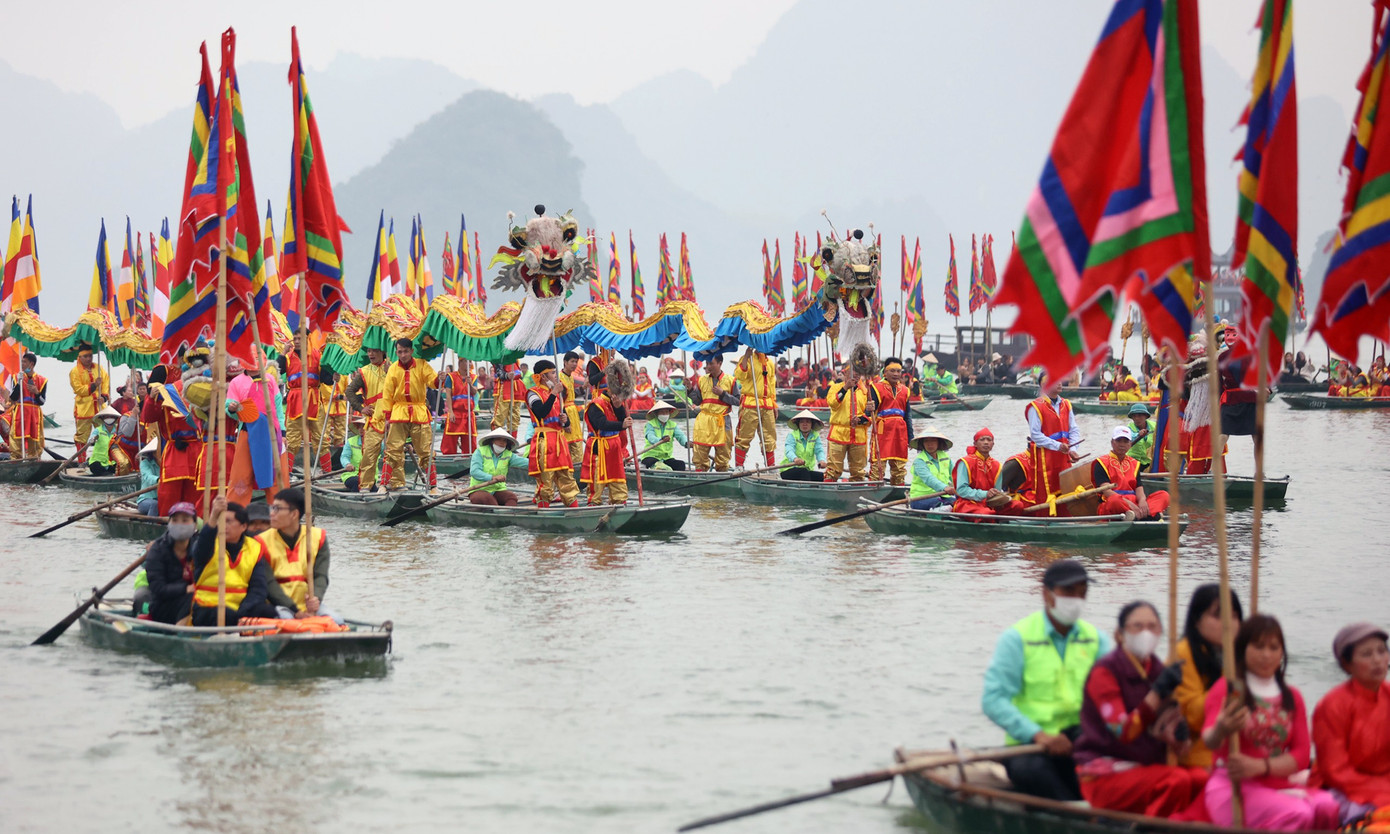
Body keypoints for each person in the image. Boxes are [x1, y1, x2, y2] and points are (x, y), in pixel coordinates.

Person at [982, 559, 1110, 802]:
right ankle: (1077, 818)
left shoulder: (1096, 640)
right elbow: (993, 700)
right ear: (1047, 595)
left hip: (1080, 742)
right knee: (1037, 773)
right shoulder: (1018, 638)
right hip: (1029, 746)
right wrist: (1039, 735)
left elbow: (1111, 696)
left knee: (1108, 777)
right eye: (1068, 592)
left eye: (1082, 593)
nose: (1076, 599)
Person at [1201, 615, 1340, 830]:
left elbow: (1302, 755)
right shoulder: (1230, 689)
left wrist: (1260, 767)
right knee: (1298, 813)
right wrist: (1221, 729)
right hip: (1232, 786)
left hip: (1276, 782)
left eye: (1273, 647)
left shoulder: (1292, 696)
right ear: (1243, 649)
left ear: (1282, 652)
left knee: (1329, 806)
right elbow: (1209, 740)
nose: (1266, 655)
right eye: (1258, 647)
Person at [1074, 601, 1205, 816]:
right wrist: (1156, 694)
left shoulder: (1158, 669)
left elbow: (1167, 731)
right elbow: (1124, 731)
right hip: (1105, 774)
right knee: (1176, 780)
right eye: (1137, 626)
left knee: (1202, 779)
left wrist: (1179, 737)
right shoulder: (1105, 672)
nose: (1146, 633)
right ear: (1119, 634)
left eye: (1152, 627)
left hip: (1147, 768)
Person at [1311, 622, 1390, 823]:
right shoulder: (1332, 704)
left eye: (1382, 651)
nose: (1377, 660)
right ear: (1347, 664)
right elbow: (1335, 771)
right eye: (1367, 654)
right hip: (1339, 789)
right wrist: (1380, 789)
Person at [1169, 583, 1245, 769]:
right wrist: (1227, 682)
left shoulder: (1243, 656)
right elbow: (1193, 716)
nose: (1228, 623)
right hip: (1198, 755)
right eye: (1218, 616)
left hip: (1240, 754)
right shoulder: (1182, 653)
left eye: (1234, 616)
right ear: (1197, 620)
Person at [189, 496, 276, 626]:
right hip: (207, 606)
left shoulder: (255, 547)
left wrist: (242, 613)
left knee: (268, 612)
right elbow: (202, 547)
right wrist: (213, 517)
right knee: (223, 614)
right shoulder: (209, 543)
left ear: (243, 526)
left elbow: (258, 589)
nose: (224, 526)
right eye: (221, 521)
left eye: (229, 521)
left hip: (239, 608)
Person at [255, 487, 332, 619]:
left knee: (337, 621)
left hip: (308, 604)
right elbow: (268, 583)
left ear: (294, 514)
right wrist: (295, 610)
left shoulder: (318, 537)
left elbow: (321, 576)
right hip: (277, 605)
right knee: (287, 619)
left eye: (277, 509)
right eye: (272, 508)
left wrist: (316, 598)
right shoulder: (261, 541)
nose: (271, 514)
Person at [376, 338, 441, 494]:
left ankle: (433, 487)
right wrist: (387, 417)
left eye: (406, 351)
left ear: (411, 351)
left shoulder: (422, 364)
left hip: (419, 413)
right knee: (392, 450)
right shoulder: (392, 369)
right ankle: (383, 485)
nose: (403, 355)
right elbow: (387, 394)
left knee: (425, 451)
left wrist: (441, 378)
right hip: (399, 413)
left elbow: (434, 382)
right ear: (396, 352)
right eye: (400, 352)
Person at [142, 365, 205, 515]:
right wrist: (151, 399)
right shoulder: (166, 388)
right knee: (169, 493)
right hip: (175, 450)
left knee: (196, 494)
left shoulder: (204, 387)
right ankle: (169, 527)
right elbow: (149, 417)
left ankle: (194, 525)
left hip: (199, 449)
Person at [525, 359, 580, 508]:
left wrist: (565, 420)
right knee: (546, 479)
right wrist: (554, 393)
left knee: (566, 477)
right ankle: (543, 510)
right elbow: (541, 413)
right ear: (543, 376)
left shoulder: (556, 396)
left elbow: (563, 422)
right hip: (544, 440)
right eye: (553, 373)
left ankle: (574, 509)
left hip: (559, 439)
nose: (556, 376)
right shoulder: (532, 393)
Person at [1092, 427, 1169, 519]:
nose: (1122, 444)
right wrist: (1130, 504)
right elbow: (1107, 491)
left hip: (1134, 503)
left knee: (1164, 495)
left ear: (1129, 444)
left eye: (1126, 441)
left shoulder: (1134, 463)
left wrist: (1142, 501)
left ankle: (1137, 514)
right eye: (1119, 441)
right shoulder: (1101, 463)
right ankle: (1149, 514)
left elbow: (1139, 489)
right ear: (1112, 442)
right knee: (1114, 500)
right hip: (1115, 503)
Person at [143, 501, 200, 624]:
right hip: (163, 606)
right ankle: (181, 635)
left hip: (196, 602)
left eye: (185, 520)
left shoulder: (200, 547)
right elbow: (158, 588)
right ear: (169, 524)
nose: (180, 524)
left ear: (194, 525)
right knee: (191, 599)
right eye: (175, 520)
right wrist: (186, 589)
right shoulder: (158, 549)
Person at [1025, 381, 1081, 499]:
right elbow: (1035, 435)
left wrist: (1073, 449)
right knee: (1047, 492)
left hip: (1064, 455)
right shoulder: (1035, 406)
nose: (1060, 383)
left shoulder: (1066, 404)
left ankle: (1065, 516)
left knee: (1066, 489)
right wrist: (1058, 446)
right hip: (1045, 457)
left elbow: (1074, 430)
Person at [583, 369, 631, 505]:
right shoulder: (595, 404)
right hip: (599, 445)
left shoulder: (615, 403)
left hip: (614, 447)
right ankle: (594, 503)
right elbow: (601, 424)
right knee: (597, 480)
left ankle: (619, 502)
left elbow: (623, 419)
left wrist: (618, 408)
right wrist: (622, 425)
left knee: (617, 478)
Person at [951, 428, 1023, 515]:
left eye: (989, 440)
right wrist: (985, 494)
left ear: (993, 444)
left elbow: (997, 490)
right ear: (975, 444)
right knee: (987, 513)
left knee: (1017, 505)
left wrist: (998, 495)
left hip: (989, 503)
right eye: (982, 439)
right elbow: (961, 490)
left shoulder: (997, 465)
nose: (986, 442)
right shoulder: (965, 462)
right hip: (968, 503)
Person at [346, 347, 389, 492]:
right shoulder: (364, 371)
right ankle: (366, 486)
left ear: (383, 352)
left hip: (392, 417)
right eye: (368, 351)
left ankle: (394, 484)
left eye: (375, 350)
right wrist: (360, 408)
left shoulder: (393, 367)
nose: (370, 354)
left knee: (395, 453)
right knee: (369, 454)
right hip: (374, 419)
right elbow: (349, 391)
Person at [283, 332, 325, 474]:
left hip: (314, 400)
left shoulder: (317, 355)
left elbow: (326, 378)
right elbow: (278, 369)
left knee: (321, 438)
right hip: (295, 401)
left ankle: (326, 471)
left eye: (300, 338)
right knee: (291, 438)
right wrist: (283, 353)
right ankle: (286, 472)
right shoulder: (288, 357)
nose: (296, 341)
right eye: (295, 338)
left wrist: (332, 374)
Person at [868, 358, 913, 485]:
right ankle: (874, 491)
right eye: (892, 371)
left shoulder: (905, 390)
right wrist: (868, 408)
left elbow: (907, 416)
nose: (896, 374)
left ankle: (897, 490)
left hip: (900, 432)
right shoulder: (876, 388)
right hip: (882, 432)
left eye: (898, 371)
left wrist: (911, 437)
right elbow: (869, 412)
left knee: (899, 468)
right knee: (878, 467)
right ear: (885, 372)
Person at [690, 354, 738, 472]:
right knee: (700, 451)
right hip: (704, 419)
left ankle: (722, 473)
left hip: (722, 420)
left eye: (711, 363)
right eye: (707, 364)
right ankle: (700, 474)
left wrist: (723, 394)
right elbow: (698, 400)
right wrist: (690, 389)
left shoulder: (730, 380)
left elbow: (738, 401)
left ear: (720, 363)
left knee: (723, 453)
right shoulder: (702, 379)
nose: (708, 366)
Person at [825, 362, 872, 481]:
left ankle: (856, 493)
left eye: (858, 373)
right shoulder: (836, 388)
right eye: (852, 372)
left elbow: (871, 414)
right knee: (833, 469)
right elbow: (833, 403)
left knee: (858, 471)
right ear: (845, 373)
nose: (855, 375)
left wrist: (860, 419)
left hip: (858, 434)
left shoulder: (866, 391)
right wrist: (846, 388)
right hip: (839, 433)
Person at [733, 348, 777, 469]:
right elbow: (740, 376)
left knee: (769, 437)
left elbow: (772, 384)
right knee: (744, 435)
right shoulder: (748, 359)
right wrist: (746, 356)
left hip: (767, 403)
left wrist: (774, 403)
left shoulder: (770, 363)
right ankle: (739, 466)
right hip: (751, 402)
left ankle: (771, 467)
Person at [69, 344, 110, 463]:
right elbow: (78, 389)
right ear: (80, 357)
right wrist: (94, 385)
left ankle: (104, 459)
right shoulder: (75, 371)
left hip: (99, 408)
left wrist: (104, 396)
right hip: (83, 409)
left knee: (104, 433)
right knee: (81, 437)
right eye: (86, 356)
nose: (89, 358)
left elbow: (106, 382)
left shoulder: (99, 368)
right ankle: (81, 461)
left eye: (90, 356)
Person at [468, 428, 527, 505]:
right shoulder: (480, 452)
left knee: (512, 498)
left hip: (498, 489)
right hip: (479, 489)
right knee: (489, 501)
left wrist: (543, 463)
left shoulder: (508, 454)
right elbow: (474, 472)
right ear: (492, 440)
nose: (502, 443)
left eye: (504, 440)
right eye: (499, 439)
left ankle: (508, 515)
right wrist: (492, 477)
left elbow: (526, 463)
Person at [7, 352, 46, 460]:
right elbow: (13, 398)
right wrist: (19, 383)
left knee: (35, 439)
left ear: (31, 364)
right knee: (16, 438)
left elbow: (42, 401)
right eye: (22, 361)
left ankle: (34, 459)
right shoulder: (16, 377)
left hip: (34, 413)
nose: (22, 364)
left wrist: (36, 392)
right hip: (20, 410)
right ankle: (16, 460)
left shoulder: (42, 380)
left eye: (24, 362)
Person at [439, 361, 477, 456]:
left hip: (468, 413)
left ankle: (469, 458)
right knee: (450, 440)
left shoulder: (473, 377)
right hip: (455, 412)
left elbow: (474, 392)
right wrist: (450, 412)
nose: (469, 364)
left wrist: (470, 384)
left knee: (470, 440)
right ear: (460, 363)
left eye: (470, 362)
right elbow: (448, 395)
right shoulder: (451, 377)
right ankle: (448, 458)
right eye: (467, 362)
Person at [907, 432, 954, 510]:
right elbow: (929, 479)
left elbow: (955, 475)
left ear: (939, 442)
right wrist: (945, 488)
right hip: (920, 498)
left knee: (960, 502)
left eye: (933, 441)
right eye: (926, 441)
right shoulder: (919, 460)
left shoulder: (945, 457)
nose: (930, 444)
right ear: (923, 444)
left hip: (942, 495)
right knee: (942, 504)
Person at [781, 411, 827, 481]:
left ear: (812, 424)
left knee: (820, 476)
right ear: (798, 424)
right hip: (788, 469)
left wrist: (821, 461)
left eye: (808, 422)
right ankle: (807, 491)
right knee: (804, 472)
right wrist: (795, 459)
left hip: (807, 470)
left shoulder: (815, 436)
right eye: (802, 422)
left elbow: (819, 451)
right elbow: (789, 450)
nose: (804, 424)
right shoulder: (792, 435)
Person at [642, 401, 689, 470]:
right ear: (656, 413)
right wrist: (661, 440)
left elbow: (681, 436)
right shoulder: (650, 424)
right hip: (651, 456)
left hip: (666, 457)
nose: (665, 414)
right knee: (658, 466)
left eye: (666, 412)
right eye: (662, 412)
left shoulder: (672, 425)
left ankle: (677, 479)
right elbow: (650, 437)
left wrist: (686, 443)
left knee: (680, 464)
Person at [85, 405, 129, 476]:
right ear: (102, 418)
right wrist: (92, 440)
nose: (109, 418)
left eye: (111, 417)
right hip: (98, 461)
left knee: (121, 467)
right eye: (106, 417)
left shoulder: (118, 432)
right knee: (95, 467)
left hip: (112, 462)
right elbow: (91, 439)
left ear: (115, 419)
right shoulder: (98, 430)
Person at [562, 351, 586, 463]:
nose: (575, 364)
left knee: (577, 442)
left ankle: (577, 466)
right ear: (565, 362)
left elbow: (571, 395)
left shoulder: (570, 377)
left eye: (576, 362)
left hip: (573, 413)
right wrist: (565, 422)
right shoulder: (560, 378)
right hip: (566, 413)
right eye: (572, 361)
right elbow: (559, 402)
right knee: (567, 444)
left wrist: (583, 388)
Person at [492, 361, 526, 434]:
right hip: (504, 387)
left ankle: (512, 442)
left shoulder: (515, 356)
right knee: (499, 416)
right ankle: (497, 440)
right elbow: (499, 373)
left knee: (515, 418)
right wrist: (507, 375)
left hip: (516, 388)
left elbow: (519, 373)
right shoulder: (499, 356)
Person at [1127, 404, 1155, 471]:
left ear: (1145, 416)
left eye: (1140, 416)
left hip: (1151, 461)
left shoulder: (1155, 426)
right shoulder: (1129, 428)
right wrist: (1138, 435)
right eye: (1134, 416)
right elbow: (1131, 437)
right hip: (1133, 462)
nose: (1137, 418)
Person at [137, 439, 161, 516]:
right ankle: (150, 526)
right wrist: (159, 480)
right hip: (146, 500)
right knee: (154, 504)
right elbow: (148, 477)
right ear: (153, 453)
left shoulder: (167, 464)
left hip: (162, 500)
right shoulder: (145, 464)